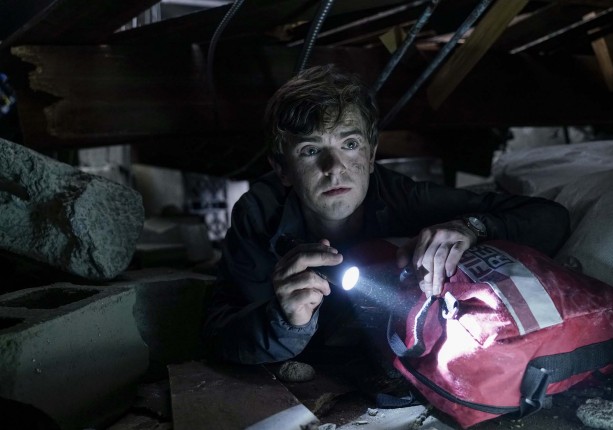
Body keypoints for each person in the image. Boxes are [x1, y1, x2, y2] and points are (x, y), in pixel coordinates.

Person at [202, 64, 570, 365]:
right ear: (282, 169)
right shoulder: (260, 214)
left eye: (350, 144)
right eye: (311, 150)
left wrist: (472, 226)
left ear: (371, 154)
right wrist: (283, 321)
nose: (334, 167)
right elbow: (219, 334)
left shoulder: (402, 197)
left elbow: (550, 219)